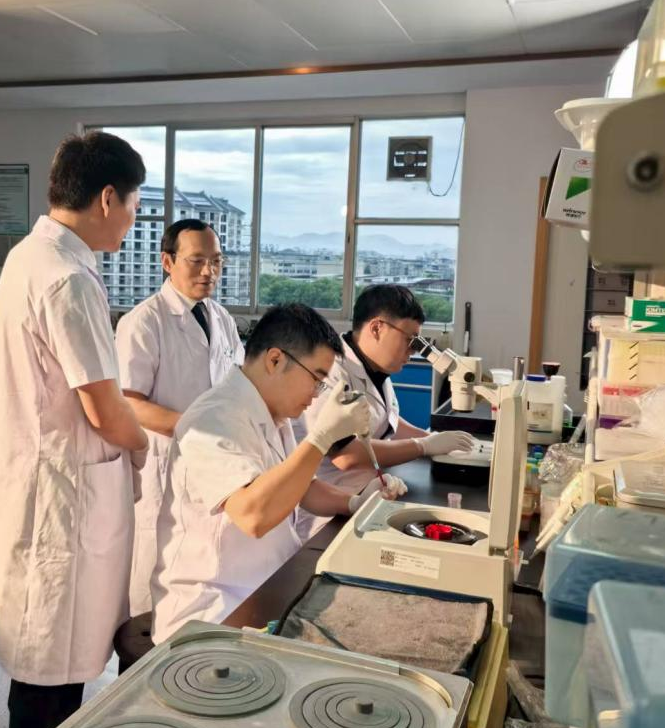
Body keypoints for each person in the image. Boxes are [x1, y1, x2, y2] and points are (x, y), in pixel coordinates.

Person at [0, 130, 148, 728]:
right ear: (107, 198)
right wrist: (144, 446)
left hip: (44, 484)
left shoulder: (30, 256)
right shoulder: (68, 279)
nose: (133, 218)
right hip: (60, 503)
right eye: (134, 205)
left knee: (45, 671)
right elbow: (104, 410)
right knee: (49, 683)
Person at [150, 303, 404, 644]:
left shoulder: (273, 414)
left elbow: (302, 487)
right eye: (316, 379)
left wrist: (355, 502)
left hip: (263, 586)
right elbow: (253, 515)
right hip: (214, 609)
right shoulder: (212, 420)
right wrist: (320, 439)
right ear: (274, 360)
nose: (315, 395)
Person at [114, 218, 243, 617]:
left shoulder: (222, 319)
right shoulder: (143, 322)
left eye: (216, 261)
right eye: (197, 261)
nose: (209, 272)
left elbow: (237, 387)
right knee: (153, 576)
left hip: (213, 469)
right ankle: (139, 653)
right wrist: (196, 428)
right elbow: (128, 402)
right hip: (164, 466)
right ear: (167, 262)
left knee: (203, 578)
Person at [295, 284, 474, 538]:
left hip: (370, 496)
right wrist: (423, 446)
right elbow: (346, 455)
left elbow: (388, 422)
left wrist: (433, 439)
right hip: (331, 514)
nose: (413, 351)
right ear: (377, 328)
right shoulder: (333, 373)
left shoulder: (376, 369)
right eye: (410, 340)